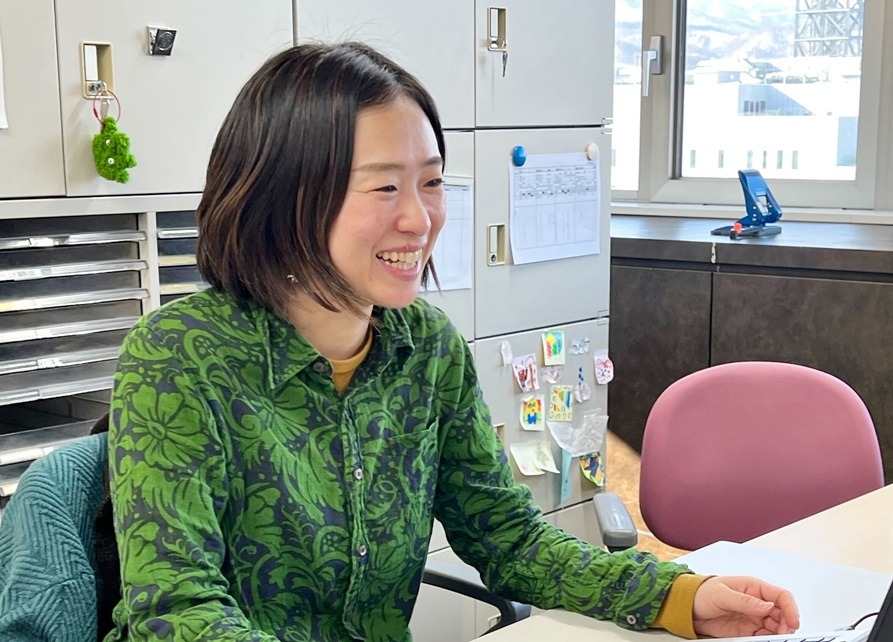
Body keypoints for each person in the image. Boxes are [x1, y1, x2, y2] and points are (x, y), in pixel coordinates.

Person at [104, 42, 800, 641]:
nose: (420, 218)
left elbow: (508, 538)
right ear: (284, 196)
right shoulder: (178, 356)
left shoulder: (426, 348)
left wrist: (677, 597)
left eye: (431, 181)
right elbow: (179, 612)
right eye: (384, 187)